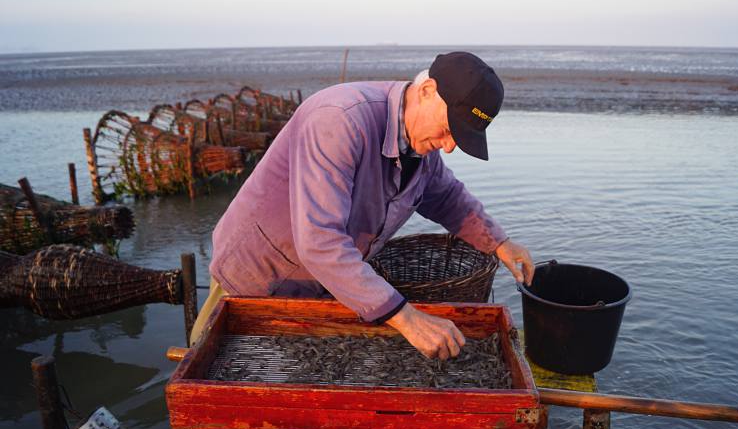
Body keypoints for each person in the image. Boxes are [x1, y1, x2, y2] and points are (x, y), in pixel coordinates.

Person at [191, 51, 535, 359]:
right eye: (448, 130)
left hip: (324, 291)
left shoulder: (419, 144)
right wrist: (407, 318)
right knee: (213, 406)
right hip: (253, 284)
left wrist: (500, 244)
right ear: (428, 90)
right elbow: (320, 242)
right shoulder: (340, 119)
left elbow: (448, 198)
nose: (447, 148)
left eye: (458, 140)